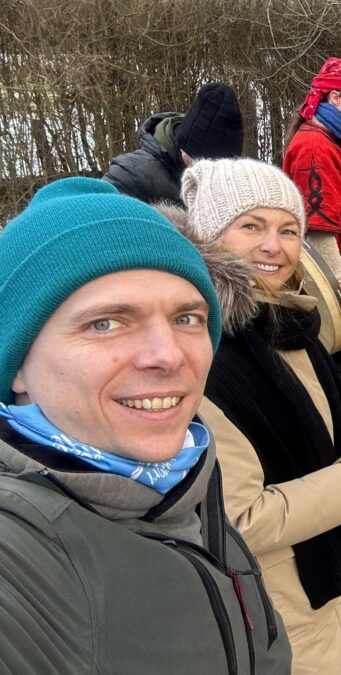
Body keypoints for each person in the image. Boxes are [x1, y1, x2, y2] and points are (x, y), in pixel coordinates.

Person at [0, 178, 291, 673]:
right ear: (18, 364)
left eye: (187, 319)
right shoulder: (18, 550)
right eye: (105, 323)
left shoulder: (188, 472)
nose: (168, 355)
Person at [178, 158, 341, 675]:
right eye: (251, 226)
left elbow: (316, 414)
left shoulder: (287, 322)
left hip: (312, 572)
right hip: (265, 591)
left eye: (289, 230)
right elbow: (237, 523)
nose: (274, 246)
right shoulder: (206, 357)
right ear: (209, 236)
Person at [283, 57, 341, 313]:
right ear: (335, 97)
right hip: (326, 272)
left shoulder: (337, 141)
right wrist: (336, 282)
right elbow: (317, 226)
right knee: (339, 352)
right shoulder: (315, 147)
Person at [103, 82, 243, 205]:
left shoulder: (230, 183)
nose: (210, 173)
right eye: (203, 163)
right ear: (185, 149)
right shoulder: (130, 174)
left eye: (220, 167)